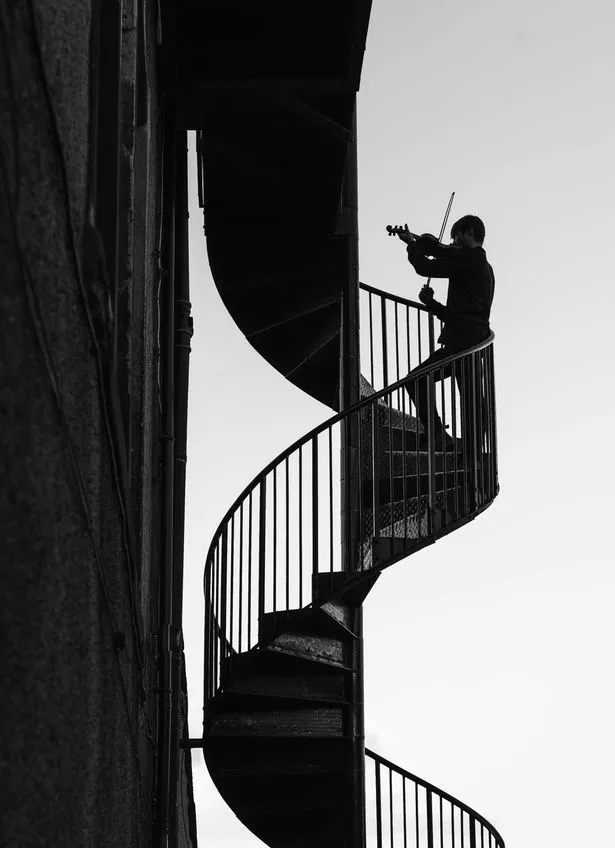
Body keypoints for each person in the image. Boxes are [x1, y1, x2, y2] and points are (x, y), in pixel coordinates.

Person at [395, 215, 495, 450]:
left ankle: (457, 445)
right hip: (466, 339)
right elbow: (459, 314)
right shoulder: (478, 265)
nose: (453, 242)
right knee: (470, 398)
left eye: (456, 236)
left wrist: (412, 245)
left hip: (465, 341)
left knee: (464, 397)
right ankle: (455, 443)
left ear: (469, 232)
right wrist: (432, 303)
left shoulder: (471, 260)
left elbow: (426, 267)